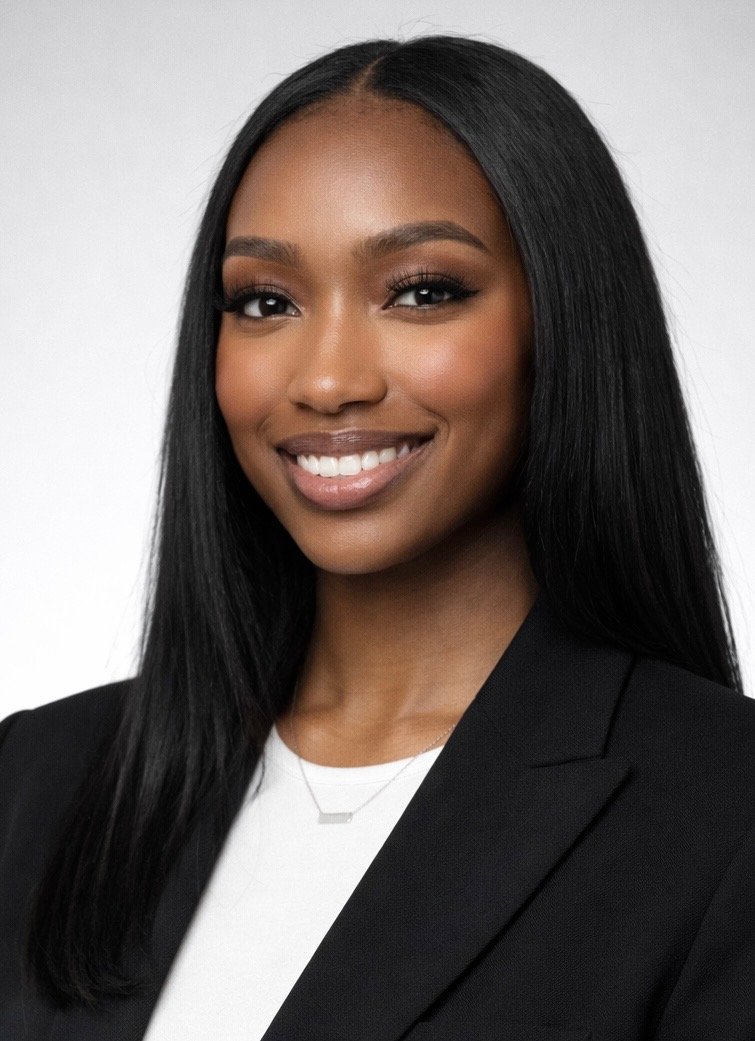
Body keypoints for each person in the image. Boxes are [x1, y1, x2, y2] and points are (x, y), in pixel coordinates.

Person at [1, 34, 753, 1041]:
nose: (325, 378)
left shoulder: (721, 815)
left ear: (560, 320)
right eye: (264, 302)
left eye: (421, 291)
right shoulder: (36, 780)